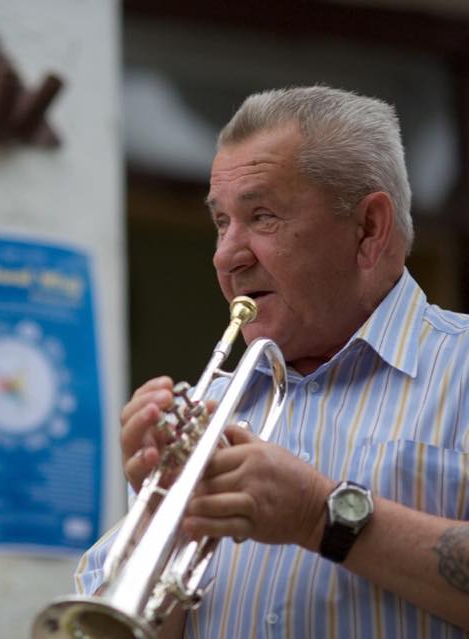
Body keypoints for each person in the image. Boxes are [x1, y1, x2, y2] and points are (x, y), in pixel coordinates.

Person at [76, 85, 469, 637]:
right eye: (221, 222)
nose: (225, 255)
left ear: (369, 230)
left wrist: (319, 514)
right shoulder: (207, 412)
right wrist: (159, 520)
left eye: (262, 217)